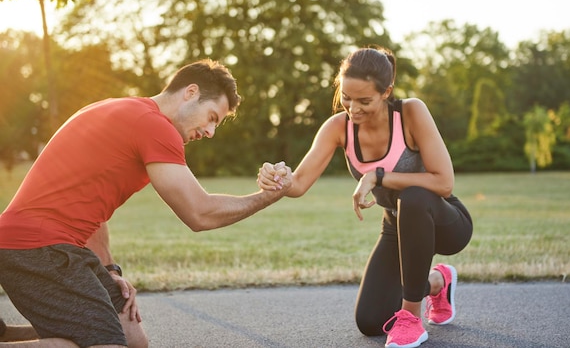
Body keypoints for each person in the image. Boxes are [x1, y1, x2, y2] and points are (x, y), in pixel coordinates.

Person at [0, 58, 292, 348]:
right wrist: (270, 195)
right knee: (108, 345)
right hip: (38, 247)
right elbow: (200, 214)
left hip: (50, 246)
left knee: (133, 340)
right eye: (212, 117)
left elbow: (93, 205)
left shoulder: (123, 109)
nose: (210, 132)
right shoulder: (154, 126)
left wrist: (109, 269)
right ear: (190, 92)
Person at [258, 46, 473, 348]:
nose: (352, 108)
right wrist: (277, 178)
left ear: (387, 91)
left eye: (364, 100)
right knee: (371, 322)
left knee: (412, 197)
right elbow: (299, 183)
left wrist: (378, 175)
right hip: (396, 226)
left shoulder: (410, 112)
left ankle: (411, 318)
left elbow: (444, 182)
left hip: (445, 223)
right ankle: (438, 282)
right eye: (346, 97)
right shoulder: (338, 128)